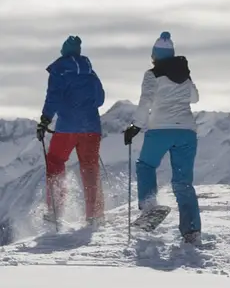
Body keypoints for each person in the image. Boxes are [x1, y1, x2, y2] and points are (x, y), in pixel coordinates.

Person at [123, 32, 202, 245]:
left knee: (146, 165)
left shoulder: (152, 75)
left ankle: (149, 208)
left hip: (160, 129)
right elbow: (195, 97)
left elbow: (145, 101)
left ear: (155, 56)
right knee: (183, 182)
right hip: (187, 131)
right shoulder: (184, 74)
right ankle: (192, 231)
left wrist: (136, 126)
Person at [37, 35, 106, 226]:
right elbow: (100, 99)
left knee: (55, 162)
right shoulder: (91, 72)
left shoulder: (59, 70)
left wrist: (45, 120)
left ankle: (55, 211)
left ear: (64, 51)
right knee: (90, 166)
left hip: (67, 126)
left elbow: (53, 97)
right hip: (91, 126)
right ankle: (95, 214)